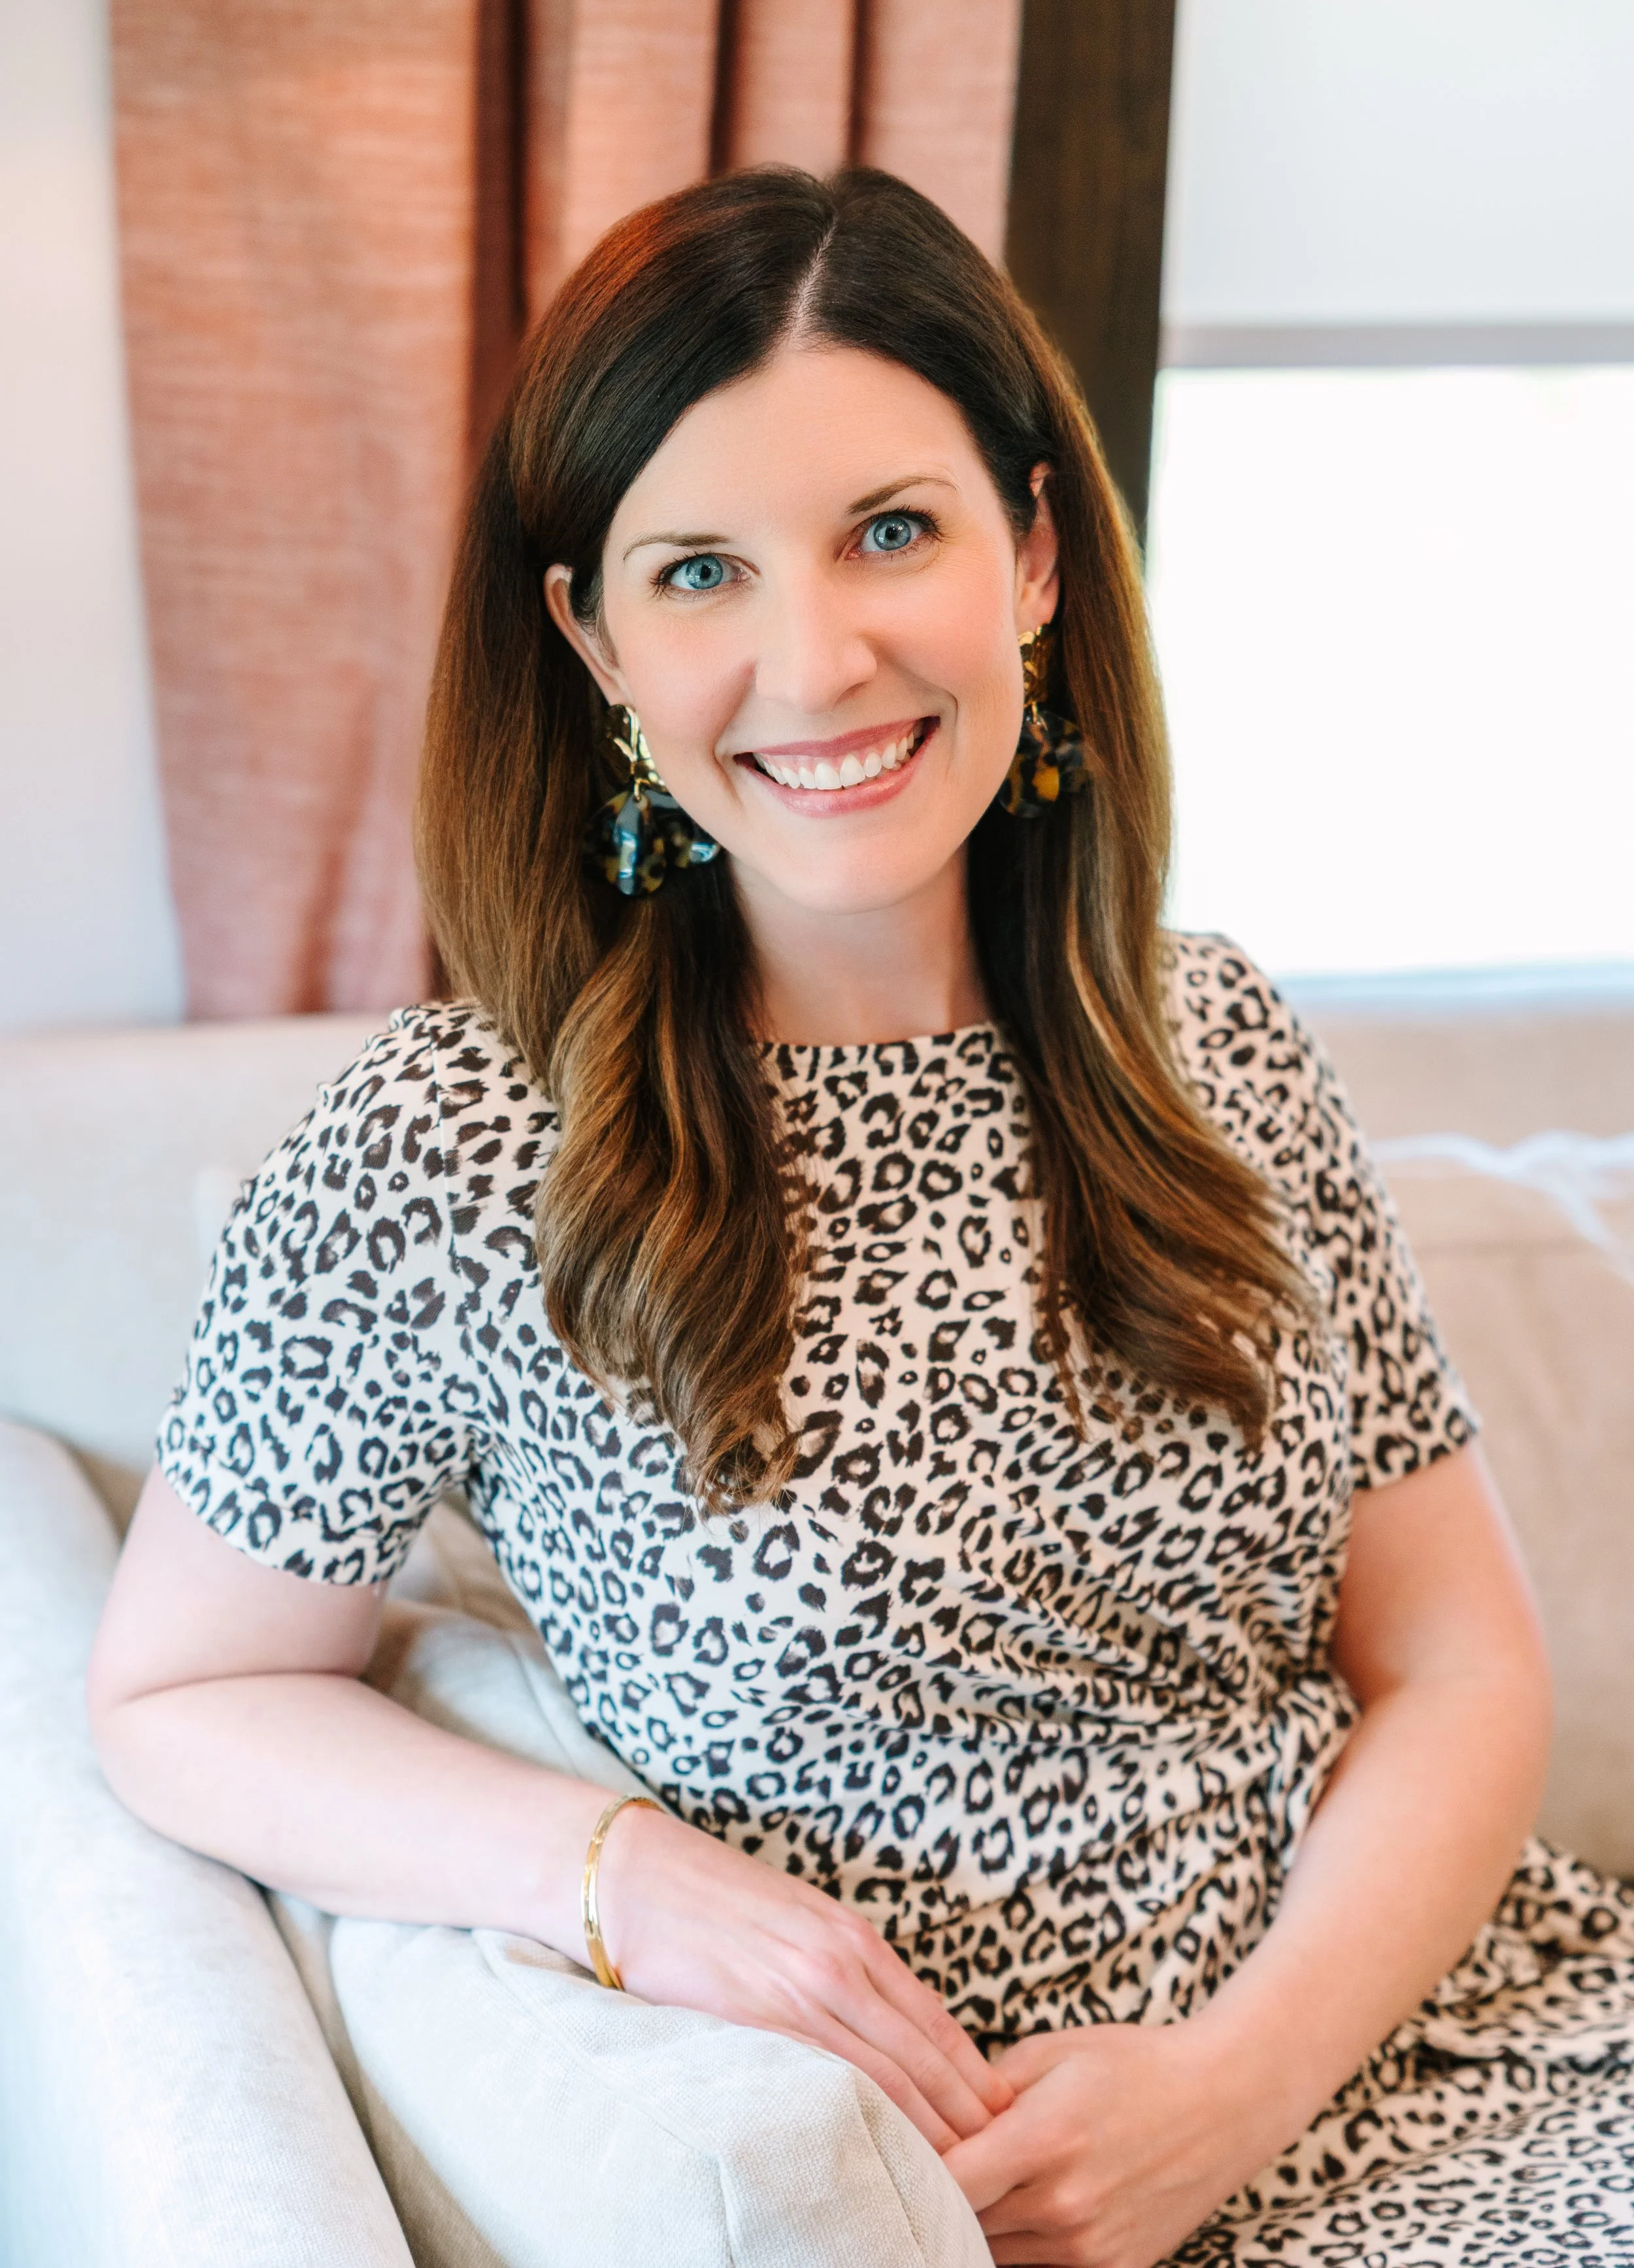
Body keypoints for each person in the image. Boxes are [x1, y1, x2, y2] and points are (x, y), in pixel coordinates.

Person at [88, 167, 1634, 2268]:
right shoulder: (456, 1137)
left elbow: (1454, 1659)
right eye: (698, 569)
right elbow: (177, 1697)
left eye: (890, 531)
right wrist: (612, 1873)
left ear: (1034, 554)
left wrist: (1234, 2085)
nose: (813, 660)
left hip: (1440, 2056)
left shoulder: (1215, 1036)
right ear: (592, 637)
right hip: (958, 2199)